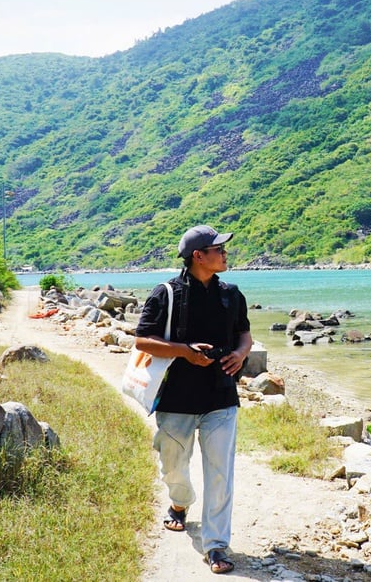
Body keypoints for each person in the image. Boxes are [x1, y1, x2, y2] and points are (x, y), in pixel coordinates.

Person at [133, 224, 252, 575]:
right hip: (176, 399)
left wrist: (241, 354)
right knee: (174, 466)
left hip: (221, 396)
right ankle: (180, 504)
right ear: (198, 256)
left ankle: (215, 545)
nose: (225, 253)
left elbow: (243, 334)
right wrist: (185, 352)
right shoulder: (165, 294)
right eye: (219, 249)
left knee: (220, 474)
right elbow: (142, 341)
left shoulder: (231, 294)